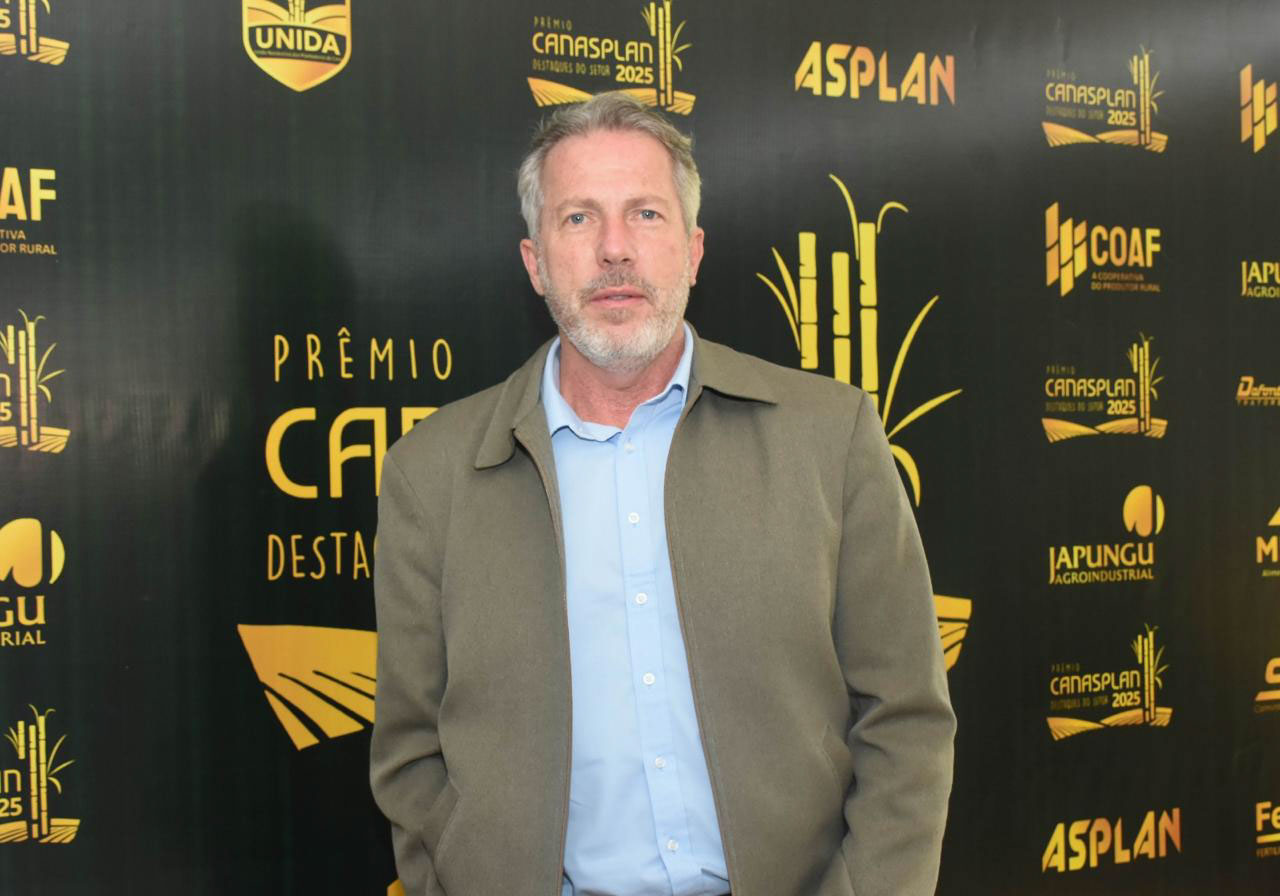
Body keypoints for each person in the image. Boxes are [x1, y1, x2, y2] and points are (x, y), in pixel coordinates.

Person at [371, 91, 955, 896]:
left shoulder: (831, 437)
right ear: (535, 262)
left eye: (645, 214)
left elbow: (905, 720)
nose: (614, 249)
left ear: (693, 250)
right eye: (579, 218)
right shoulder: (429, 475)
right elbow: (410, 756)